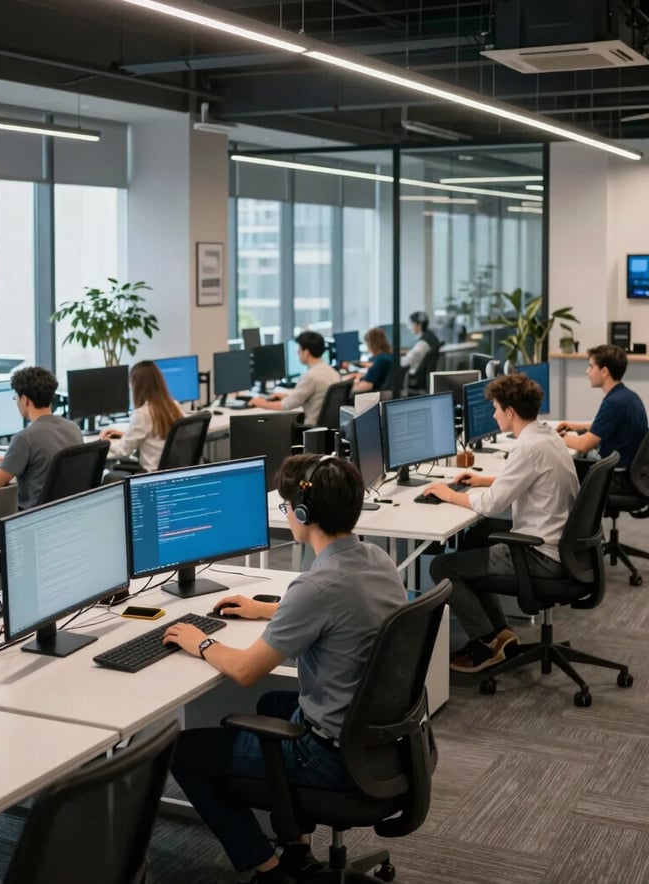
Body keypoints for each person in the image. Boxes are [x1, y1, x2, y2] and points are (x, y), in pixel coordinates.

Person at [164, 454, 406, 884]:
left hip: (328, 757)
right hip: (378, 738)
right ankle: (295, 845)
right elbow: (335, 614)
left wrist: (199, 642)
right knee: (272, 703)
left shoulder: (316, 586)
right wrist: (265, 610)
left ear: (300, 513)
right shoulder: (376, 559)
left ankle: (268, 868)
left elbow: (243, 670)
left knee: (184, 751)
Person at [426, 373, 578, 673]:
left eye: (496, 408)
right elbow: (529, 478)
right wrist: (483, 479)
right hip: (561, 546)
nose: (494, 414)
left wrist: (446, 493)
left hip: (540, 555)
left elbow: (492, 504)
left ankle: (485, 643)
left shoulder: (526, 448)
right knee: (478, 537)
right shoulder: (545, 436)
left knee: (442, 567)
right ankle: (500, 634)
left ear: (510, 411)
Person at [0, 366, 83, 510]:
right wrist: (11, 462)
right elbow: (46, 462)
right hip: (67, 512)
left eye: (16, 397)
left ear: (25, 399)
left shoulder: (25, 438)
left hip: (32, 517)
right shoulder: (73, 428)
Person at [556, 344, 647, 491]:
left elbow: (583, 445)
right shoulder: (627, 396)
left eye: (591, 367)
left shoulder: (614, 403)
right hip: (629, 473)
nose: (587, 372)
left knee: (561, 473)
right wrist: (576, 426)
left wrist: (559, 437)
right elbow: (607, 426)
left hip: (618, 478)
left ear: (604, 371)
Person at [99, 360, 183, 471]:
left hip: (151, 476)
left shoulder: (142, 414)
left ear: (136, 387)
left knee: (109, 476)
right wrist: (126, 435)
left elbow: (122, 453)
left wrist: (107, 442)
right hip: (175, 473)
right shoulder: (174, 406)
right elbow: (158, 435)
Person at [249, 331, 340, 427]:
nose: (297, 352)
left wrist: (261, 403)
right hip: (327, 431)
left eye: (299, 349)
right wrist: (286, 396)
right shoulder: (332, 372)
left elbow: (286, 405)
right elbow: (313, 397)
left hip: (312, 432)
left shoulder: (310, 377)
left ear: (306, 353)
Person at [401, 311, 440, 390]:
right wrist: (408, 352)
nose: (410, 327)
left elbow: (405, 362)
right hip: (424, 376)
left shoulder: (423, 343)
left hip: (416, 379)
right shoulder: (431, 337)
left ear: (418, 324)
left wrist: (392, 359)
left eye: (411, 324)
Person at [350, 326, 394, 394]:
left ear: (372, 344)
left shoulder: (380, 360)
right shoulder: (390, 356)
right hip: (384, 394)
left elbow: (365, 386)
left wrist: (355, 382)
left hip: (374, 396)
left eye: (367, 344)